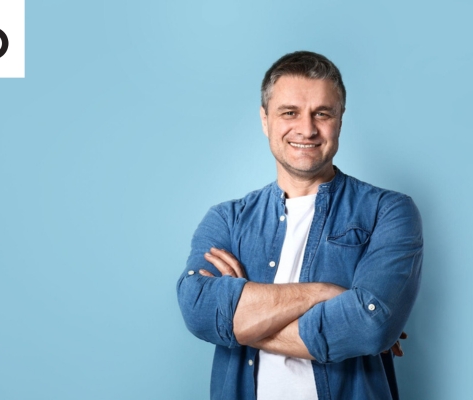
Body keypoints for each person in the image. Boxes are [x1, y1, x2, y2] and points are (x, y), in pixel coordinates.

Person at [176, 51, 423, 400]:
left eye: (322, 113)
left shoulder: (390, 211)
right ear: (265, 120)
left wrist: (239, 321)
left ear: (340, 119)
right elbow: (199, 310)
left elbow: (369, 328)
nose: (306, 129)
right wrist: (321, 293)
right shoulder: (227, 219)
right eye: (289, 113)